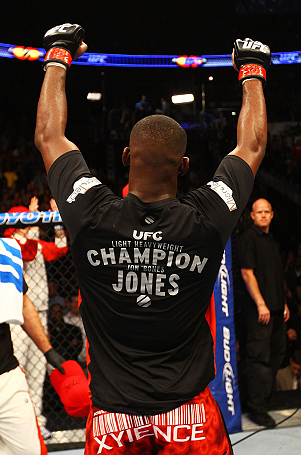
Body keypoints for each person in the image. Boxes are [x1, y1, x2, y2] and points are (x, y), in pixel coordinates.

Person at [35, 24, 270, 454]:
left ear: (126, 157)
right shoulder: (206, 216)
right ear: (184, 166)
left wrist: (57, 56)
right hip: (191, 418)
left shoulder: (92, 212)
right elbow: (251, 146)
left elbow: (49, 137)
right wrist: (252, 70)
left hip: (113, 419)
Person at [0, 207, 65, 455]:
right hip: (11, 320)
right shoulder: (14, 244)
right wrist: (29, 230)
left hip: (33, 315)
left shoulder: (11, 250)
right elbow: (25, 249)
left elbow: (60, 248)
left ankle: (38, 418)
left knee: (36, 375)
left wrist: (55, 221)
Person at [238, 198, 290, 428]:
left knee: (277, 355)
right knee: (258, 359)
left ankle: (264, 399)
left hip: (277, 309)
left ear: (271, 215)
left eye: (266, 212)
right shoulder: (248, 239)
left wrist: (284, 303)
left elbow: (275, 276)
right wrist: (260, 303)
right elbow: (247, 274)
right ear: (252, 215)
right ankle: (257, 408)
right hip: (260, 312)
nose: (263, 215)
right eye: (258, 212)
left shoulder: (271, 240)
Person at [63, 292, 87, 373]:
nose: (75, 304)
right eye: (73, 301)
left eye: (77, 302)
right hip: (73, 358)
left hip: (88, 358)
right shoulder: (65, 320)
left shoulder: (88, 320)